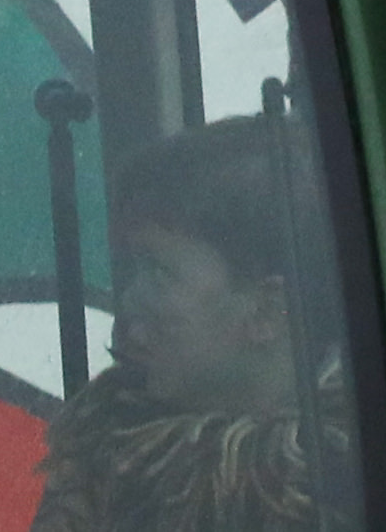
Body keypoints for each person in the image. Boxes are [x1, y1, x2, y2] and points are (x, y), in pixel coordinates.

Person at [33, 121, 351, 532]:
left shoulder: (351, 482)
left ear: (266, 312)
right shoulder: (103, 456)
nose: (129, 300)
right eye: (135, 267)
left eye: (159, 271)